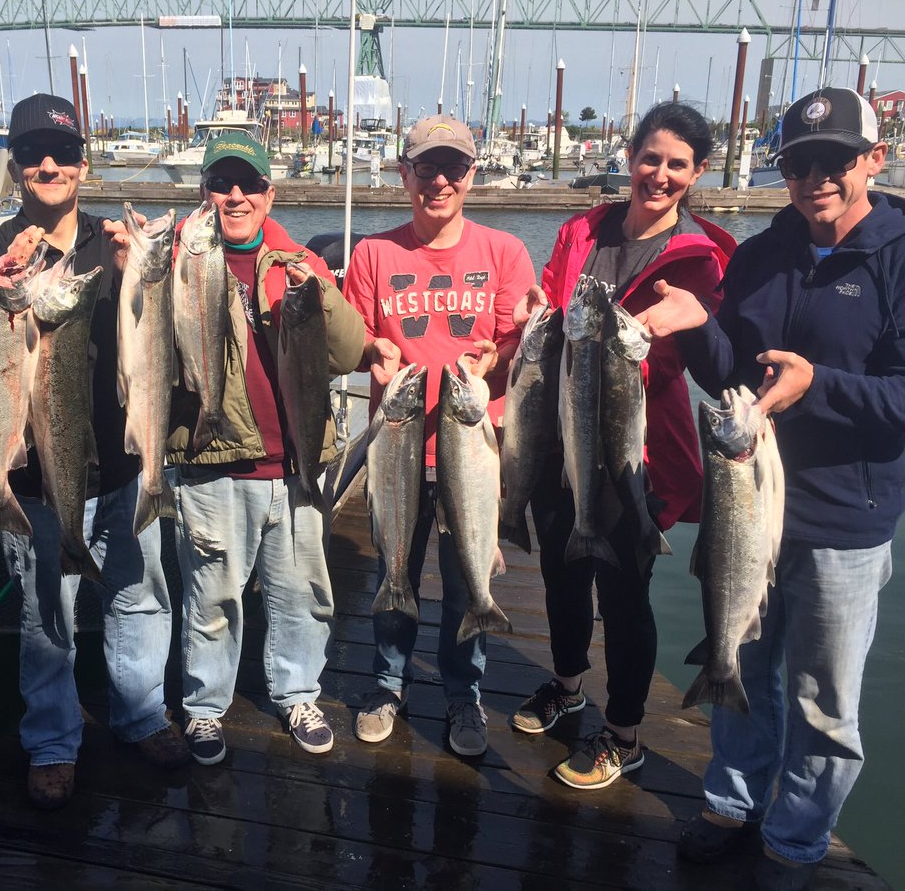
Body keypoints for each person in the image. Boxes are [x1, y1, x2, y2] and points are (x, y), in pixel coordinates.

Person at [640, 87, 904, 890]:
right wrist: (699, 326)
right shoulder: (760, 256)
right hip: (744, 503)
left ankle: (796, 840)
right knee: (743, 667)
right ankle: (733, 800)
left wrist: (817, 384)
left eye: (834, 160)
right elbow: (735, 375)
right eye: (798, 165)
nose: (815, 178)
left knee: (825, 701)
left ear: (874, 160)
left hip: (842, 521)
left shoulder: (898, 256)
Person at [0, 94, 188, 810]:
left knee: (139, 596)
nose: (47, 166)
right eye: (31, 155)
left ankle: (141, 713)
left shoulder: (116, 246)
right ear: (15, 168)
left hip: (122, 467)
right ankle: (53, 740)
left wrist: (141, 273)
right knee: (45, 617)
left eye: (61, 154)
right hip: (37, 481)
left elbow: (164, 339)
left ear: (84, 166)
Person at [507, 101, 736, 789]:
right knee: (561, 574)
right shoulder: (585, 229)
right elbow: (554, 304)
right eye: (650, 158)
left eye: (677, 165)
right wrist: (535, 315)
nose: (659, 175)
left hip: (636, 452)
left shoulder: (699, 257)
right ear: (630, 157)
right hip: (559, 434)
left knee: (625, 594)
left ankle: (626, 732)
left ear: (697, 173)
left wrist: (641, 338)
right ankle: (567, 684)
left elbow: (681, 362)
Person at [117, 134, 364, 765]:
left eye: (248, 184)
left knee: (304, 594)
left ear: (268, 195)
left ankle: (297, 693)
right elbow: (143, 337)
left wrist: (322, 292)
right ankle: (205, 707)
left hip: (297, 465)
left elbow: (346, 352)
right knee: (212, 599)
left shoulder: (298, 260)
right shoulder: (176, 258)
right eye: (221, 184)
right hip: (211, 466)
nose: (235, 196)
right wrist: (135, 266)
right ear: (204, 196)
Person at [344, 115, 536, 758]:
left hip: (473, 450)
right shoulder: (372, 254)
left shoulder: (505, 253)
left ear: (472, 175)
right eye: (426, 168)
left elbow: (519, 348)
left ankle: (464, 695)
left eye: (454, 168)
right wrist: (371, 350)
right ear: (405, 174)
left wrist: (496, 358)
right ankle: (387, 685)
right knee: (392, 569)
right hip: (397, 447)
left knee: (466, 579)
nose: (440, 181)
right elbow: (354, 336)